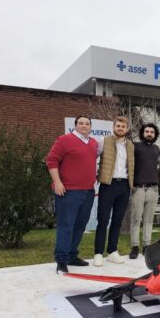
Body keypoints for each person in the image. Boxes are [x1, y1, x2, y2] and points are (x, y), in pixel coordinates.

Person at [46, 115, 98, 274]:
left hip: (88, 192)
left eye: (87, 123)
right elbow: (51, 161)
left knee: (80, 226)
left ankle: (71, 255)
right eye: (81, 123)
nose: (84, 125)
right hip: (68, 192)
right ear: (75, 125)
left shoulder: (93, 143)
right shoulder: (64, 140)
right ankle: (61, 260)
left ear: (90, 127)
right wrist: (57, 182)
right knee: (66, 226)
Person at [93, 116, 135, 267]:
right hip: (108, 185)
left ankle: (112, 251)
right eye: (118, 126)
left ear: (127, 129)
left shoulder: (130, 145)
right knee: (103, 220)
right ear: (113, 127)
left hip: (124, 186)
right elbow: (92, 158)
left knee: (117, 221)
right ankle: (98, 253)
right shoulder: (103, 141)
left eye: (123, 127)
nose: (120, 128)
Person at [128, 123, 160, 259]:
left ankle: (146, 246)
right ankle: (135, 247)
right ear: (142, 133)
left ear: (155, 135)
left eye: (152, 132)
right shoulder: (134, 146)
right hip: (138, 189)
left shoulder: (157, 149)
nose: (149, 134)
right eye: (147, 131)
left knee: (148, 220)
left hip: (153, 189)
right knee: (136, 219)